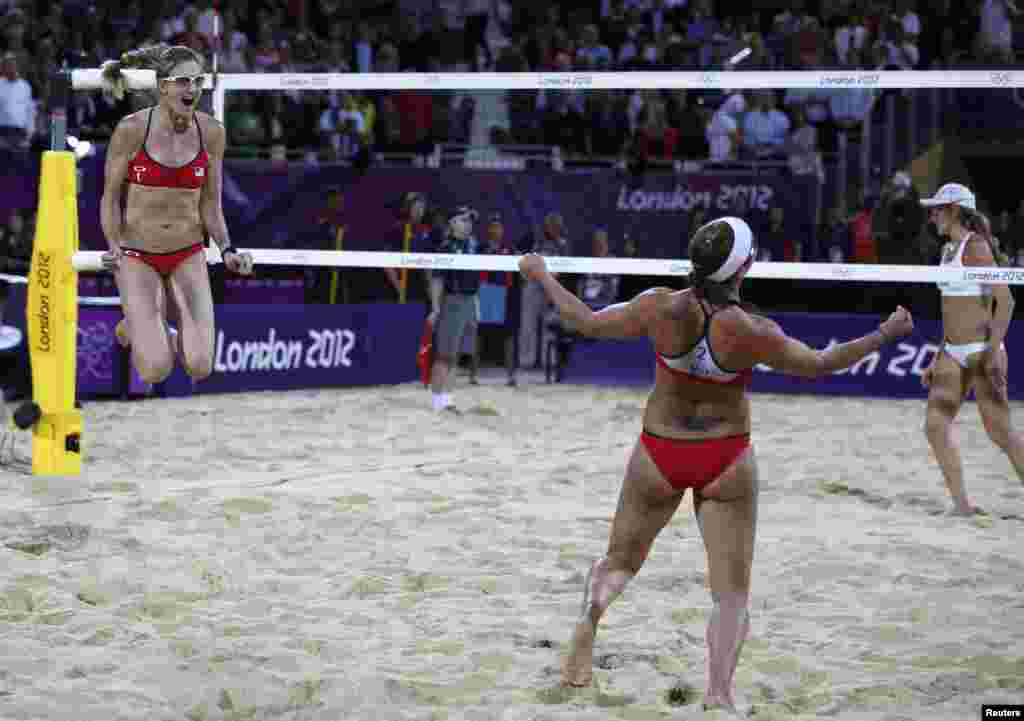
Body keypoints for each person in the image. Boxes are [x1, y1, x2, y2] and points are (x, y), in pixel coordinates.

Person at [518, 216, 914, 711]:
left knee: (619, 561)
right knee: (731, 596)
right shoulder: (752, 330)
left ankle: (590, 619)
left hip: (660, 449)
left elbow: (586, 321)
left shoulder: (660, 306)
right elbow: (821, 364)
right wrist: (887, 330)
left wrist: (541, 274)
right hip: (724, 456)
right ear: (745, 266)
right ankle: (719, 694)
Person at [98, 44, 254, 385]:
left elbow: (211, 206)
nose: (192, 89)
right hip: (137, 253)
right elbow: (110, 199)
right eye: (183, 81)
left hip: (188, 252)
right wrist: (113, 246)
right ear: (163, 86)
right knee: (156, 370)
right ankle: (137, 323)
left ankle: (140, 320)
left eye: (197, 81)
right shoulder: (131, 129)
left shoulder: (212, 133)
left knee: (200, 367)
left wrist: (227, 249)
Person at [919, 183, 1024, 514]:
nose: (932, 214)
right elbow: (950, 311)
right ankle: (962, 506)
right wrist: (938, 357)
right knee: (935, 425)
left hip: (982, 349)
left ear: (954, 210)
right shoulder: (948, 251)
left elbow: (1005, 301)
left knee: (1000, 432)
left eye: (938, 208)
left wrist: (993, 352)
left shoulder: (975, 246)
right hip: (952, 351)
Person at [428, 206, 483, 412]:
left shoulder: (473, 245)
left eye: (469, 220)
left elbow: (476, 279)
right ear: (451, 224)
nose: (468, 224)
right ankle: (436, 400)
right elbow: (436, 280)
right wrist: (435, 308)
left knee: (458, 353)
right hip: (452, 300)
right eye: (462, 220)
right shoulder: (445, 247)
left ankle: (448, 399)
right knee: (444, 354)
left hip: (469, 301)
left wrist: (476, 305)